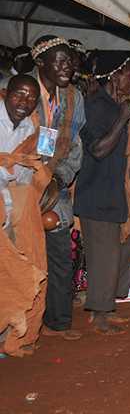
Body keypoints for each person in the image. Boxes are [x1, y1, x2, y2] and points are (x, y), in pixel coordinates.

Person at [5, 36, 87, 343]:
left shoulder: (74, 98)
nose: (68, 67)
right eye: (60, 61)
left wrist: (59, 179)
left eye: (70, 62)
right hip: (18, 188)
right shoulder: (21, 93)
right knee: (21, 257)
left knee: (60, 256)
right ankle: (18, 328)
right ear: (40, 62)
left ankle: (59, 321)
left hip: (54, 187)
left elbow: (75, 143)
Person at [74, 52, 130, 336]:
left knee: (125, 248)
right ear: (115, 77)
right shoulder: (94, 106)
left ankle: (108, 304)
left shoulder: (113, 103)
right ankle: (99, 314)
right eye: (129, 74)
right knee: (106, 254)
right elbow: (98, 150)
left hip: (113, 193)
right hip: (97, 193)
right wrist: (123, 118)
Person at [0, 74, 47, 357]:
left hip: (5, 206)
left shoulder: (30, 127)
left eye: (31, 98)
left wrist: (11, 163)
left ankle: (7, 339)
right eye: (19, 94)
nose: (24, 102)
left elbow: (24, 172)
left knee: (9, 273)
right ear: (6, 93)